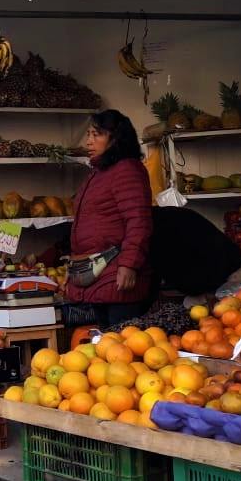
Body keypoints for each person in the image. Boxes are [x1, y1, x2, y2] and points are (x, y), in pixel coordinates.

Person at [66, 110, 154, 328]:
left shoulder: (127, 170)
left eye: (97, 135)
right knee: (107, 345)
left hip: (117, 273)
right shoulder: (100, 172)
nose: (89, 141)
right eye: (88, 134)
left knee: (122, 346)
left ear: (115, 139)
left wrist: (129, 265)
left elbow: (138, 220)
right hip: (99, 272)